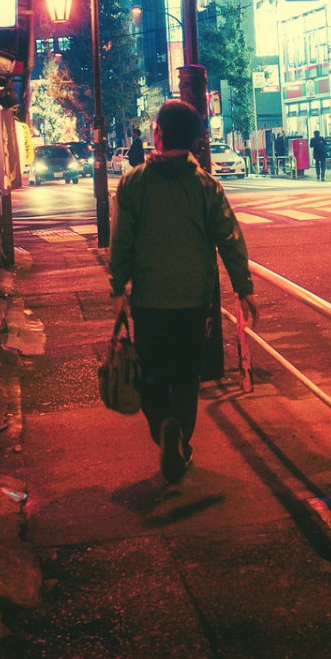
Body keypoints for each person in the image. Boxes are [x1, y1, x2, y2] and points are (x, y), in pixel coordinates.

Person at [109, 100, 256, 483]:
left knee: (153, 374)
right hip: (195, 300)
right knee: (188, 376)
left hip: (150, 300)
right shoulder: (206, 186)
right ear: (194, 140)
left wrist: (118, 289)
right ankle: (181, 435)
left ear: (157, 134)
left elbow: (121, 241)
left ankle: (165, 426)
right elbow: (229, 237)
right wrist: (244, 288)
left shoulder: (134, 184)